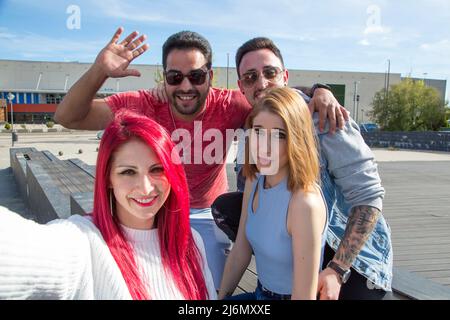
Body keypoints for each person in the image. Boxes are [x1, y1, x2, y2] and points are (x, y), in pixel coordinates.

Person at [54, 27, 346, 289]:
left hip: (208, 215)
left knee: (206, 288)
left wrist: (319, 90)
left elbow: (273, 98)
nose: (185, 86)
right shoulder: (145, 103)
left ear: (210, 76)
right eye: (174, 77)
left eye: (195, 76)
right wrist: (99, 71)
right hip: (155, 209)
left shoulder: (232, 104)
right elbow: (67, 116)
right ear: (163, 77)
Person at [212, 37, 393, 300]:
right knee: (227, 206)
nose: (261, 83)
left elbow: (368, 196)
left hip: (347, 253)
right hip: (287, 237)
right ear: (242, 86)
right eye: (250, 77)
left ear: (284, 75)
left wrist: (337, 270)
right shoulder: (254, 126)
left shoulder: (325, 118)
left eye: (270, 73)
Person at [0, 111, 216, 300]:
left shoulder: (190, 242)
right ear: (108, 179)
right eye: (128, 172)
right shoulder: (85, 242)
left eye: (157, 169)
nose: (146, 187)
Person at [218, 87, 327, 300]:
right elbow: (240, 248)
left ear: (297, 139)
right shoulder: (255, 180)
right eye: (258, 131)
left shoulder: (304, 203)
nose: (264, 146)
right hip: (260, 293)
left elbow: (304, 297)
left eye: (278, 135)